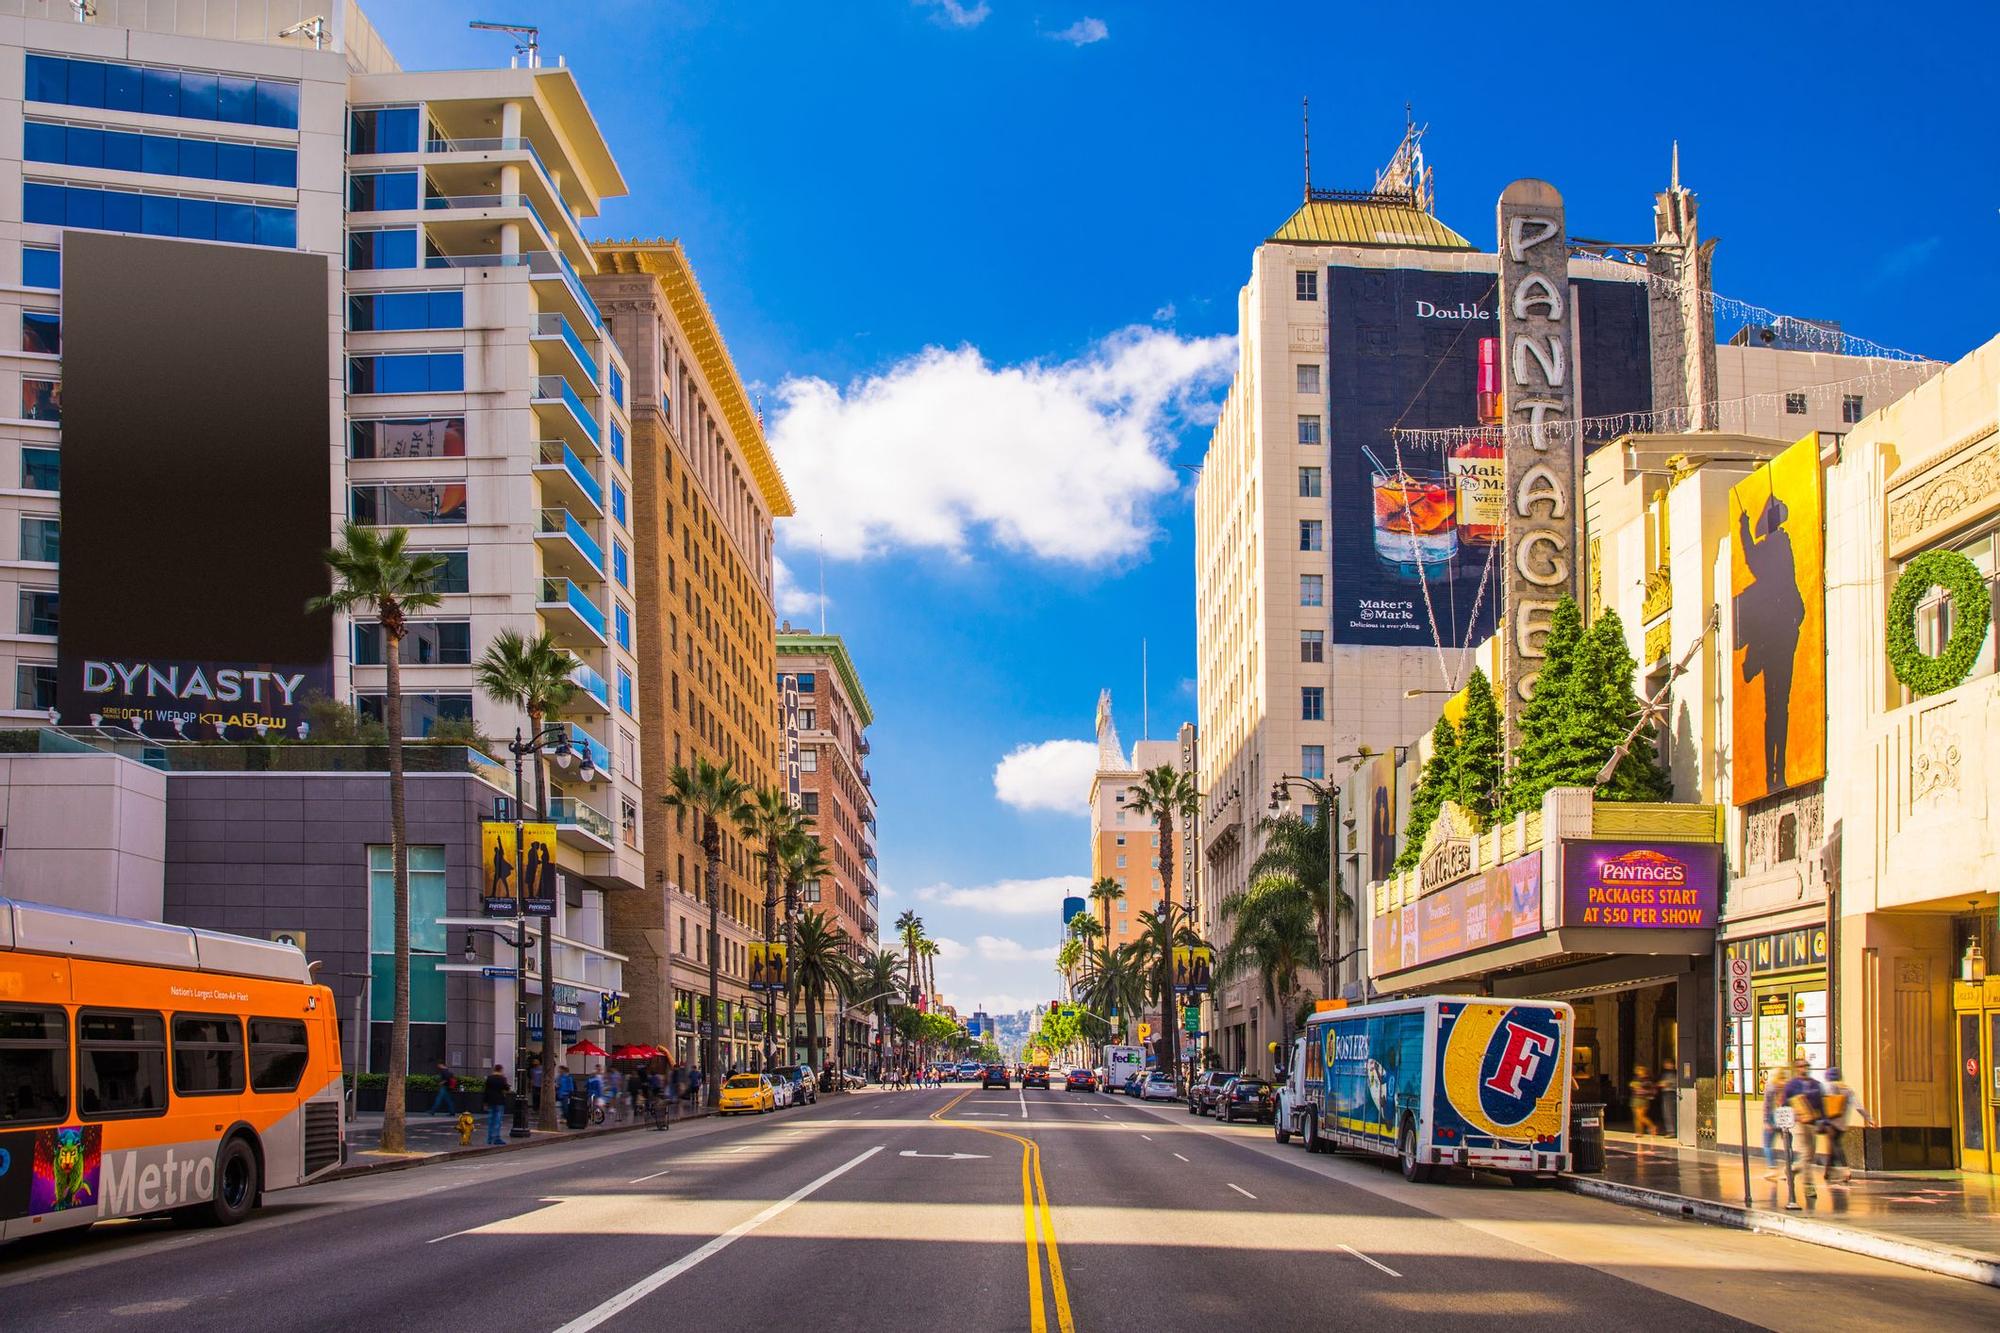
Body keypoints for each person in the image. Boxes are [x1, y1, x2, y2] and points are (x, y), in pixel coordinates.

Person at [1819, 1067, 1875, 1183]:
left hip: (1830, 1122)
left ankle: (1846, 1170)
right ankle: (1828, 1172)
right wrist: (1869, 1118)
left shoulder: (1827, 1087)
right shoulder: (1847, 1089)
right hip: (1842, 1123)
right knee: (1833, 1145)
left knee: (1836, 1145)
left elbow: (1820, 1104)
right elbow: (1858, 1106)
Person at [1780, 1057, 1826, 1187]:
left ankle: (1792, 1169)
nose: (1804, 1069)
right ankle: (1808, 1185)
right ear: (1796, 1069)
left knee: (1810, 1154)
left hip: (1812, 1121)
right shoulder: (1791, 1085)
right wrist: (1790, 1120)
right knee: (1805, 1151)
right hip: (1799, 1123)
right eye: (1801, 1066)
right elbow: (1784, 1105)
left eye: (1806, 1066)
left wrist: (1823, 1120)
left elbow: (1821, 1104)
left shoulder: (1816, 1084)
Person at [1761, 1067, 1788, 1182]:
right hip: (1785, 1116)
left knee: (1767, 1144)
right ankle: (1788, 1170)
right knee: (1788, 1145)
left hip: (1772, 1116)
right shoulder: (1787, 1086)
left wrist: (1766, 1121)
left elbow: (1767, 1104)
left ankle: (1773, 1169)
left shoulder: (1771, 1086)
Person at [482, 1064, 510, 1145]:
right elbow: (506, 1088)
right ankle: (496, 1138)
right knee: (498, 1120)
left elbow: (486, 1091)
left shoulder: (489, 1078)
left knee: (491, 1120)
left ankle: (489, 1138)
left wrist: (485, 1102)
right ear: (501, 1070)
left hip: (490, 1101)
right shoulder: (502, 1078)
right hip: (499, 1101)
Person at [1628, 1065, 1660, 1137]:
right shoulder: (1636, 1078)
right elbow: (1633, 1087)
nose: (1638, 1072)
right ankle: (1639, 1132)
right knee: (1636, 1117)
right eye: (1637, 1071)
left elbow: (1651, 1089)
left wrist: (1640, 1088)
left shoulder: (1647, 1079)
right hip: (1635, 1098)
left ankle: (1652, 1126)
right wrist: (1633, 1086)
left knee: (1641, 1116)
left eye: (1640, 1070)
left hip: (1643, 1099)